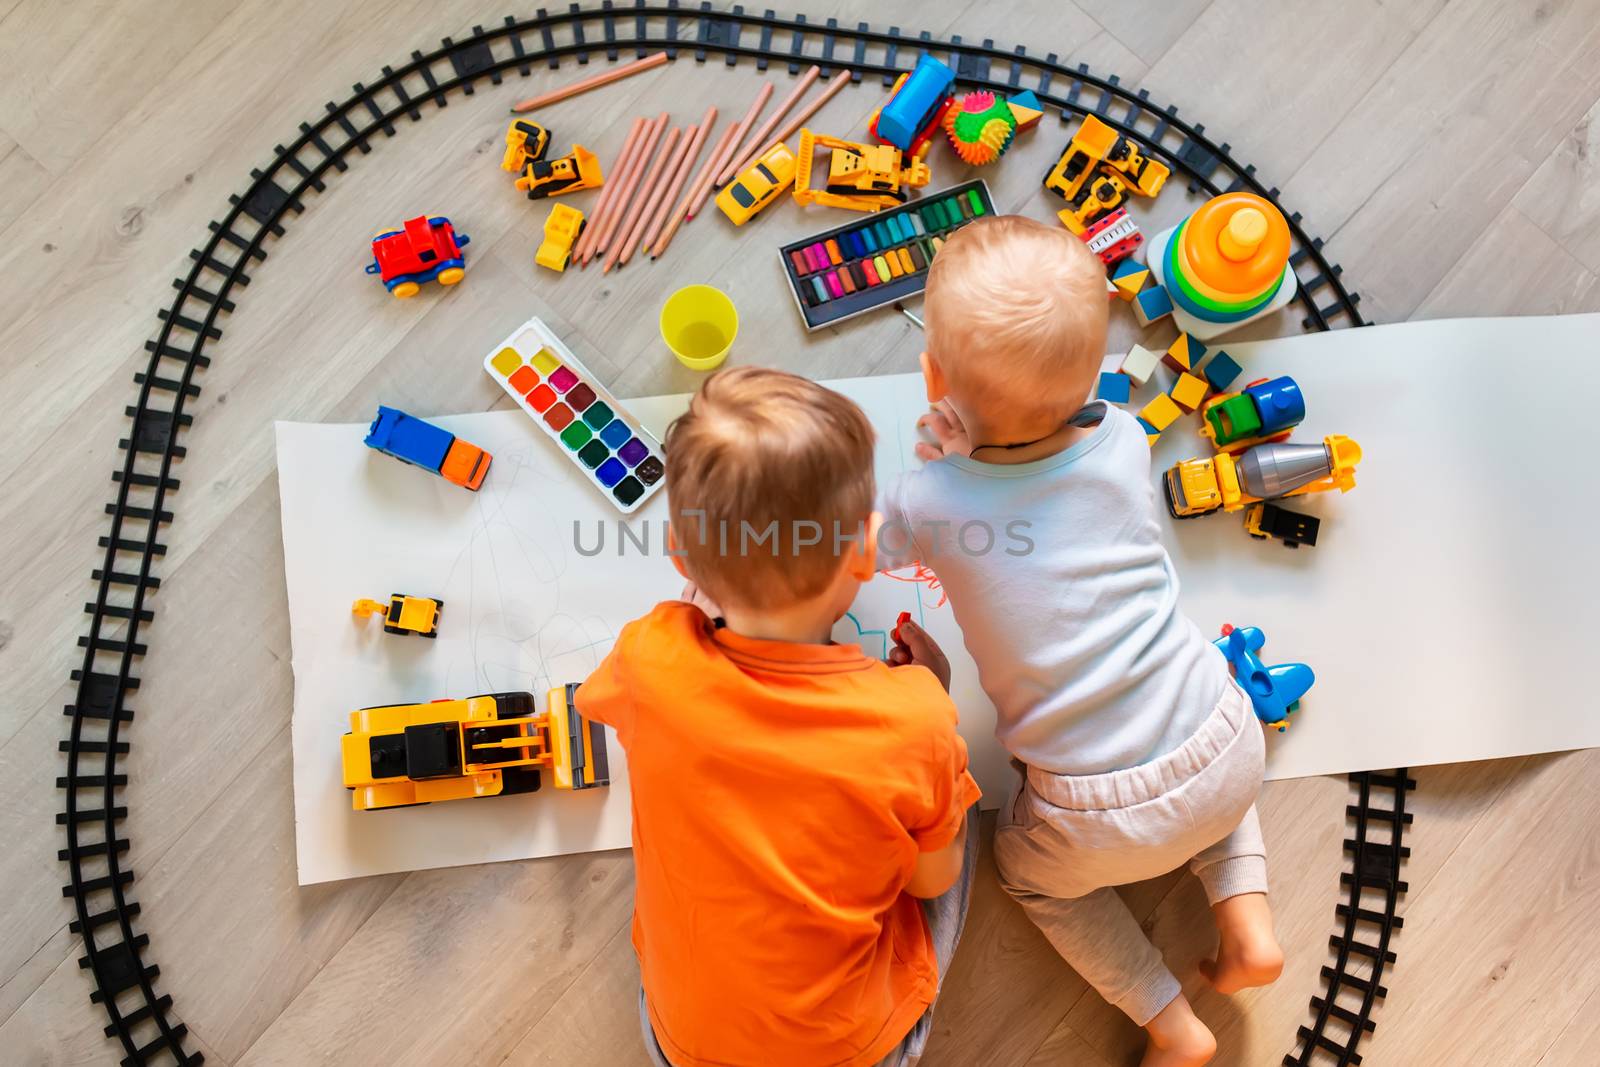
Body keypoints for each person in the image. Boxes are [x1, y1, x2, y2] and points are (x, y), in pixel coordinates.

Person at [881, 215, 1283, 1067]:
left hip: (1090, 813)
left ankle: (1172, 1022)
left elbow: (871, 546)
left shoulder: (929, 501)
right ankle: (1247, 925)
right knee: (1209, 770)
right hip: (1224, 731)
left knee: (1029, 878)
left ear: (933, 379)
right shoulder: (1125, 441)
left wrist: (935, 458)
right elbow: (1043, 466)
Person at [577, 365, 983, 1067]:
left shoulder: (651, 656)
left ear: (681, 555)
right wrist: (937, 701)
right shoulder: (916, 718)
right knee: (959, 806)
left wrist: (691, 628)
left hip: (681, 1045)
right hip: (851, 1050)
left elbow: (600, 698)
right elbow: (930, 880)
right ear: (864, 554)